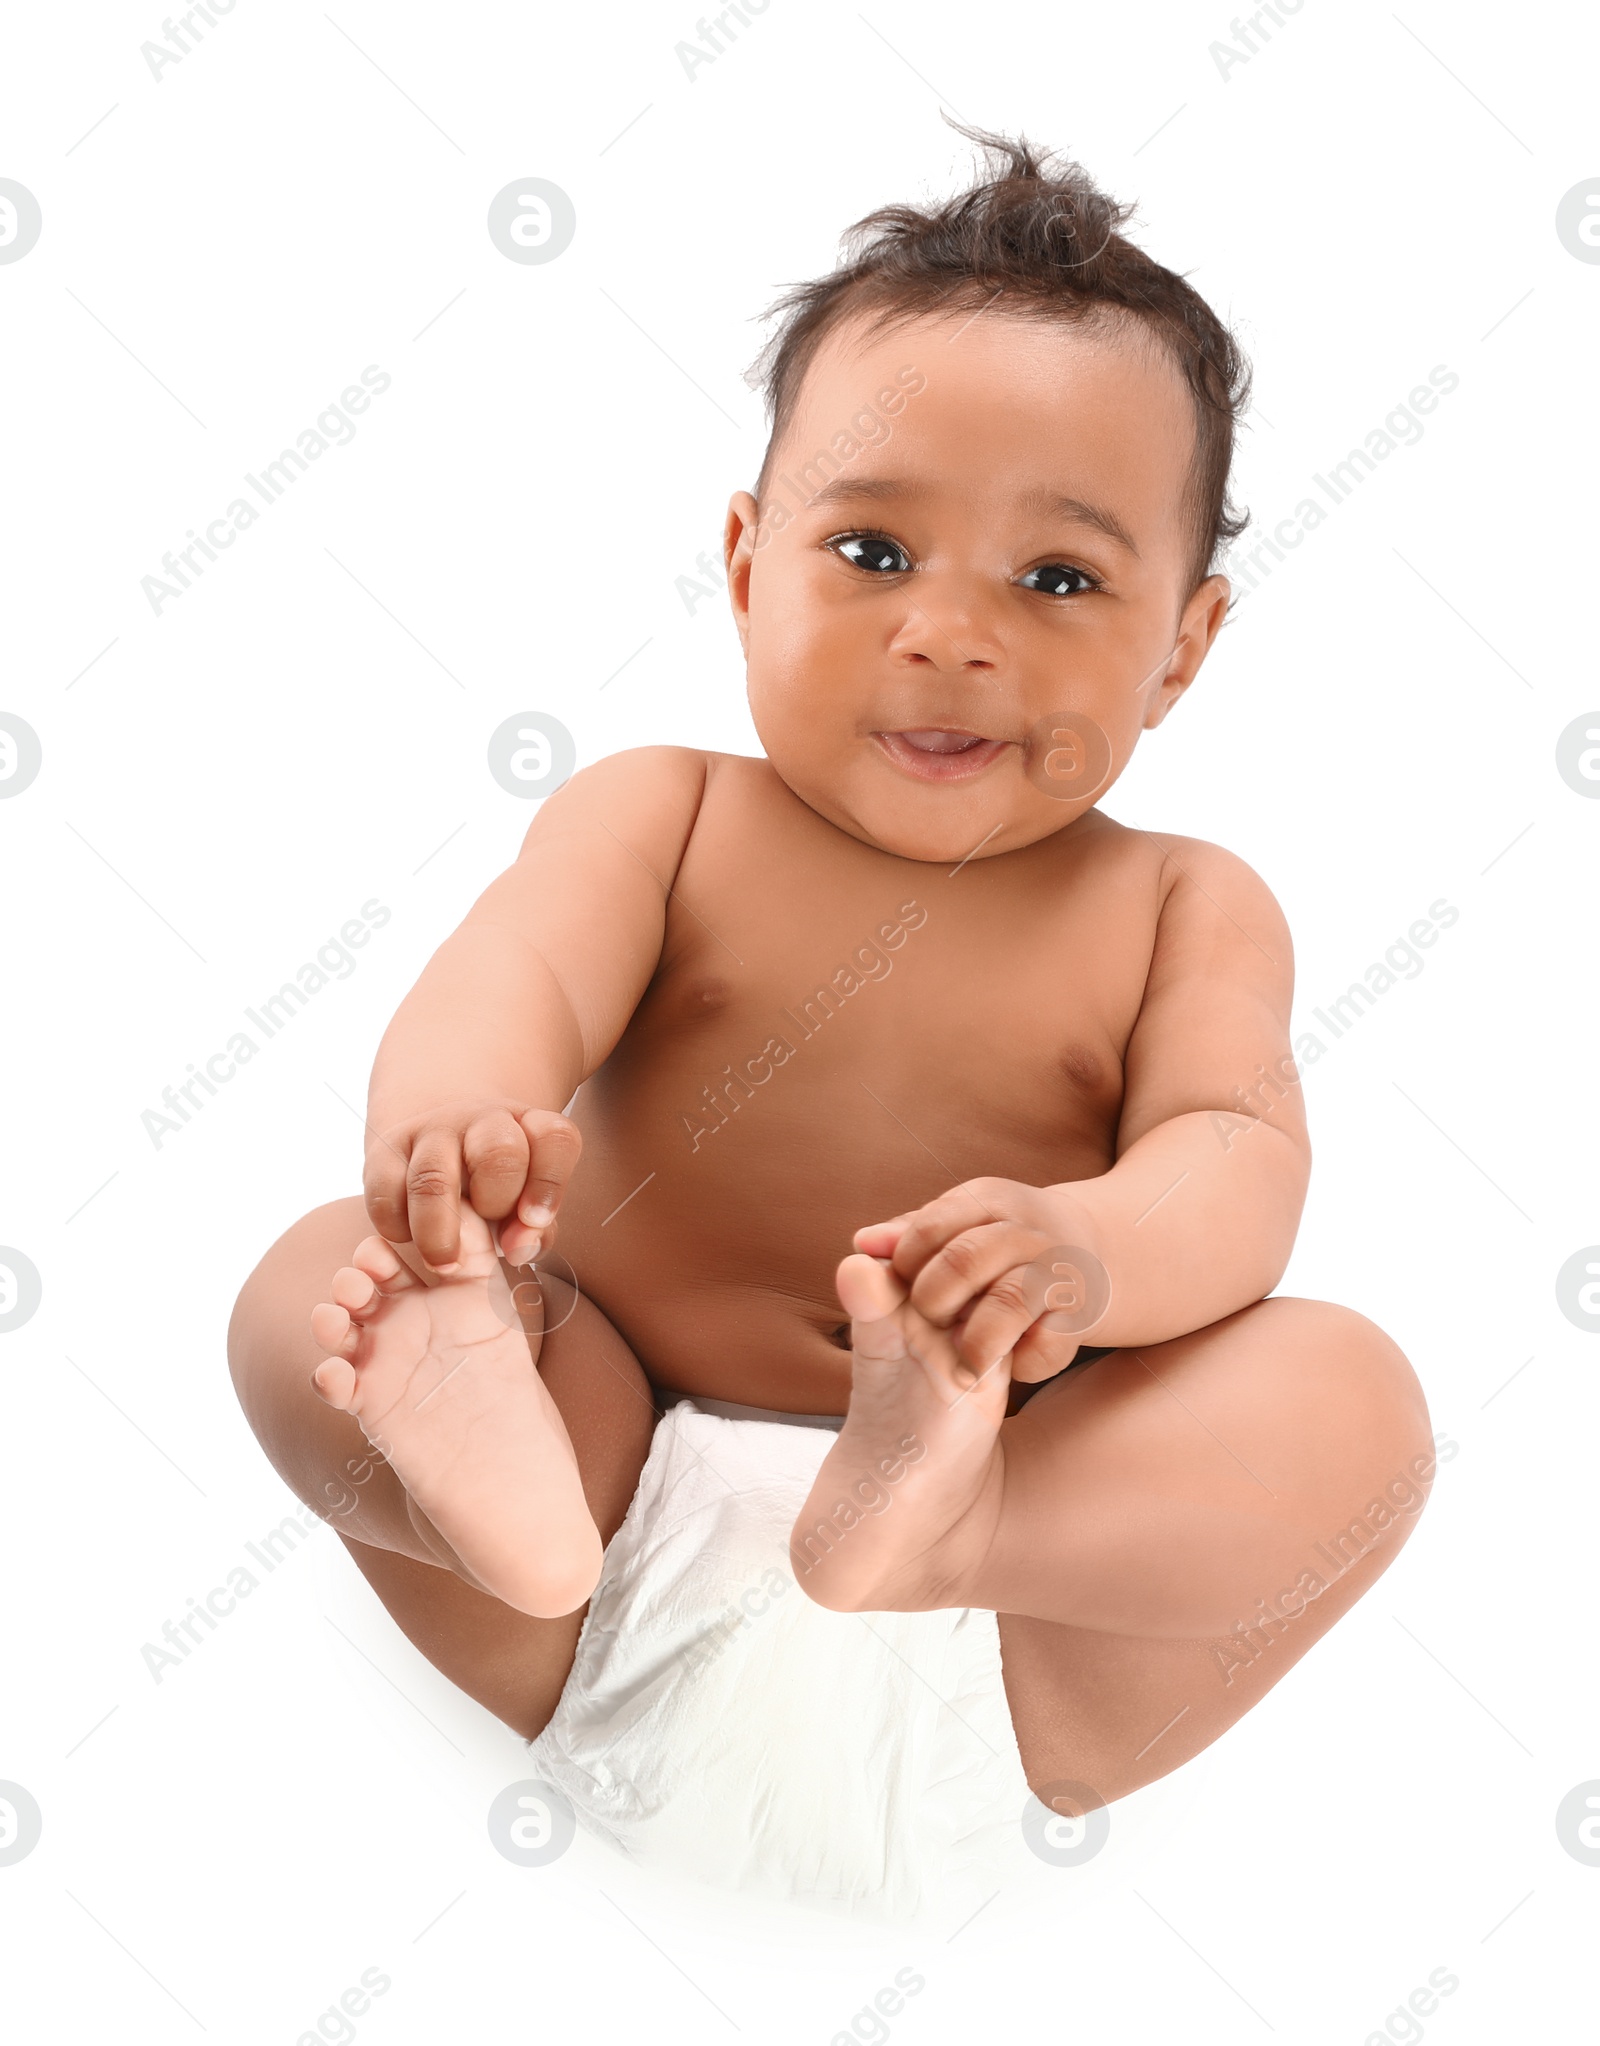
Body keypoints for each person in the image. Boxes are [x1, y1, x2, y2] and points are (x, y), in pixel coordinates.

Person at [228, 121, 1433, 1881]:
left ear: (1183, 644)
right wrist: (455, 1148)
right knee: (312, 1275)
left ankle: (953, 1510)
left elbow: (1231, 1151)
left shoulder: (1183, 900)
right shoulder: (667, 811)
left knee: (1355, 1401)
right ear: (743, 561)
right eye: (873, 552)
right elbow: (516, 971)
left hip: (1017, 1603)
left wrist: (1086, 1249)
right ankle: (492, 1483)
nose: (949, 633)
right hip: (594, 1517)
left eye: (1059, 579)